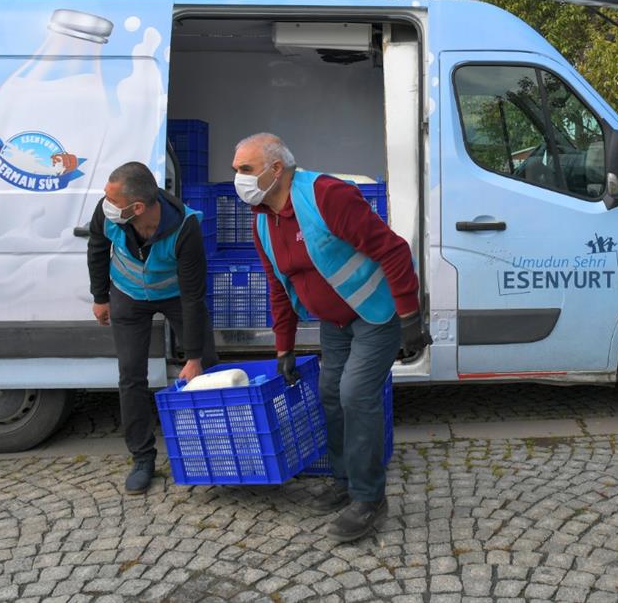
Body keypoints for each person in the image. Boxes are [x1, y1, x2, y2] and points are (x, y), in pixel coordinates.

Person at [232, 133, 426, 543]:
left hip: (376, 311)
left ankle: (369, 498)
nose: (239, 178)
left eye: (245, 170)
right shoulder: (263, 220)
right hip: (334, 322)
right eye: (236, 171)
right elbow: (278, 285)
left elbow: (393, 250)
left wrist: (409, 317)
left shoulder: (326, 195)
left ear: (276, 169)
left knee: (356, 393)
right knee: (330, 393)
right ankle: (344, 479)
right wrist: (283, 346)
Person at [87, 161, 216, 493]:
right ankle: (142, 459)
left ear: (137, 207)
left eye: (113, 200)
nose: (106, 204)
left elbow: (192, 295)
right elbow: (97, 247)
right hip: (128, 294)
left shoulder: (186, 227)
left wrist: (194, 356)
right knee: (131, 376)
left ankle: (213, 450)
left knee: (207, 367)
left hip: (175, 295)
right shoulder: (108, 213)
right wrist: (100, 296)